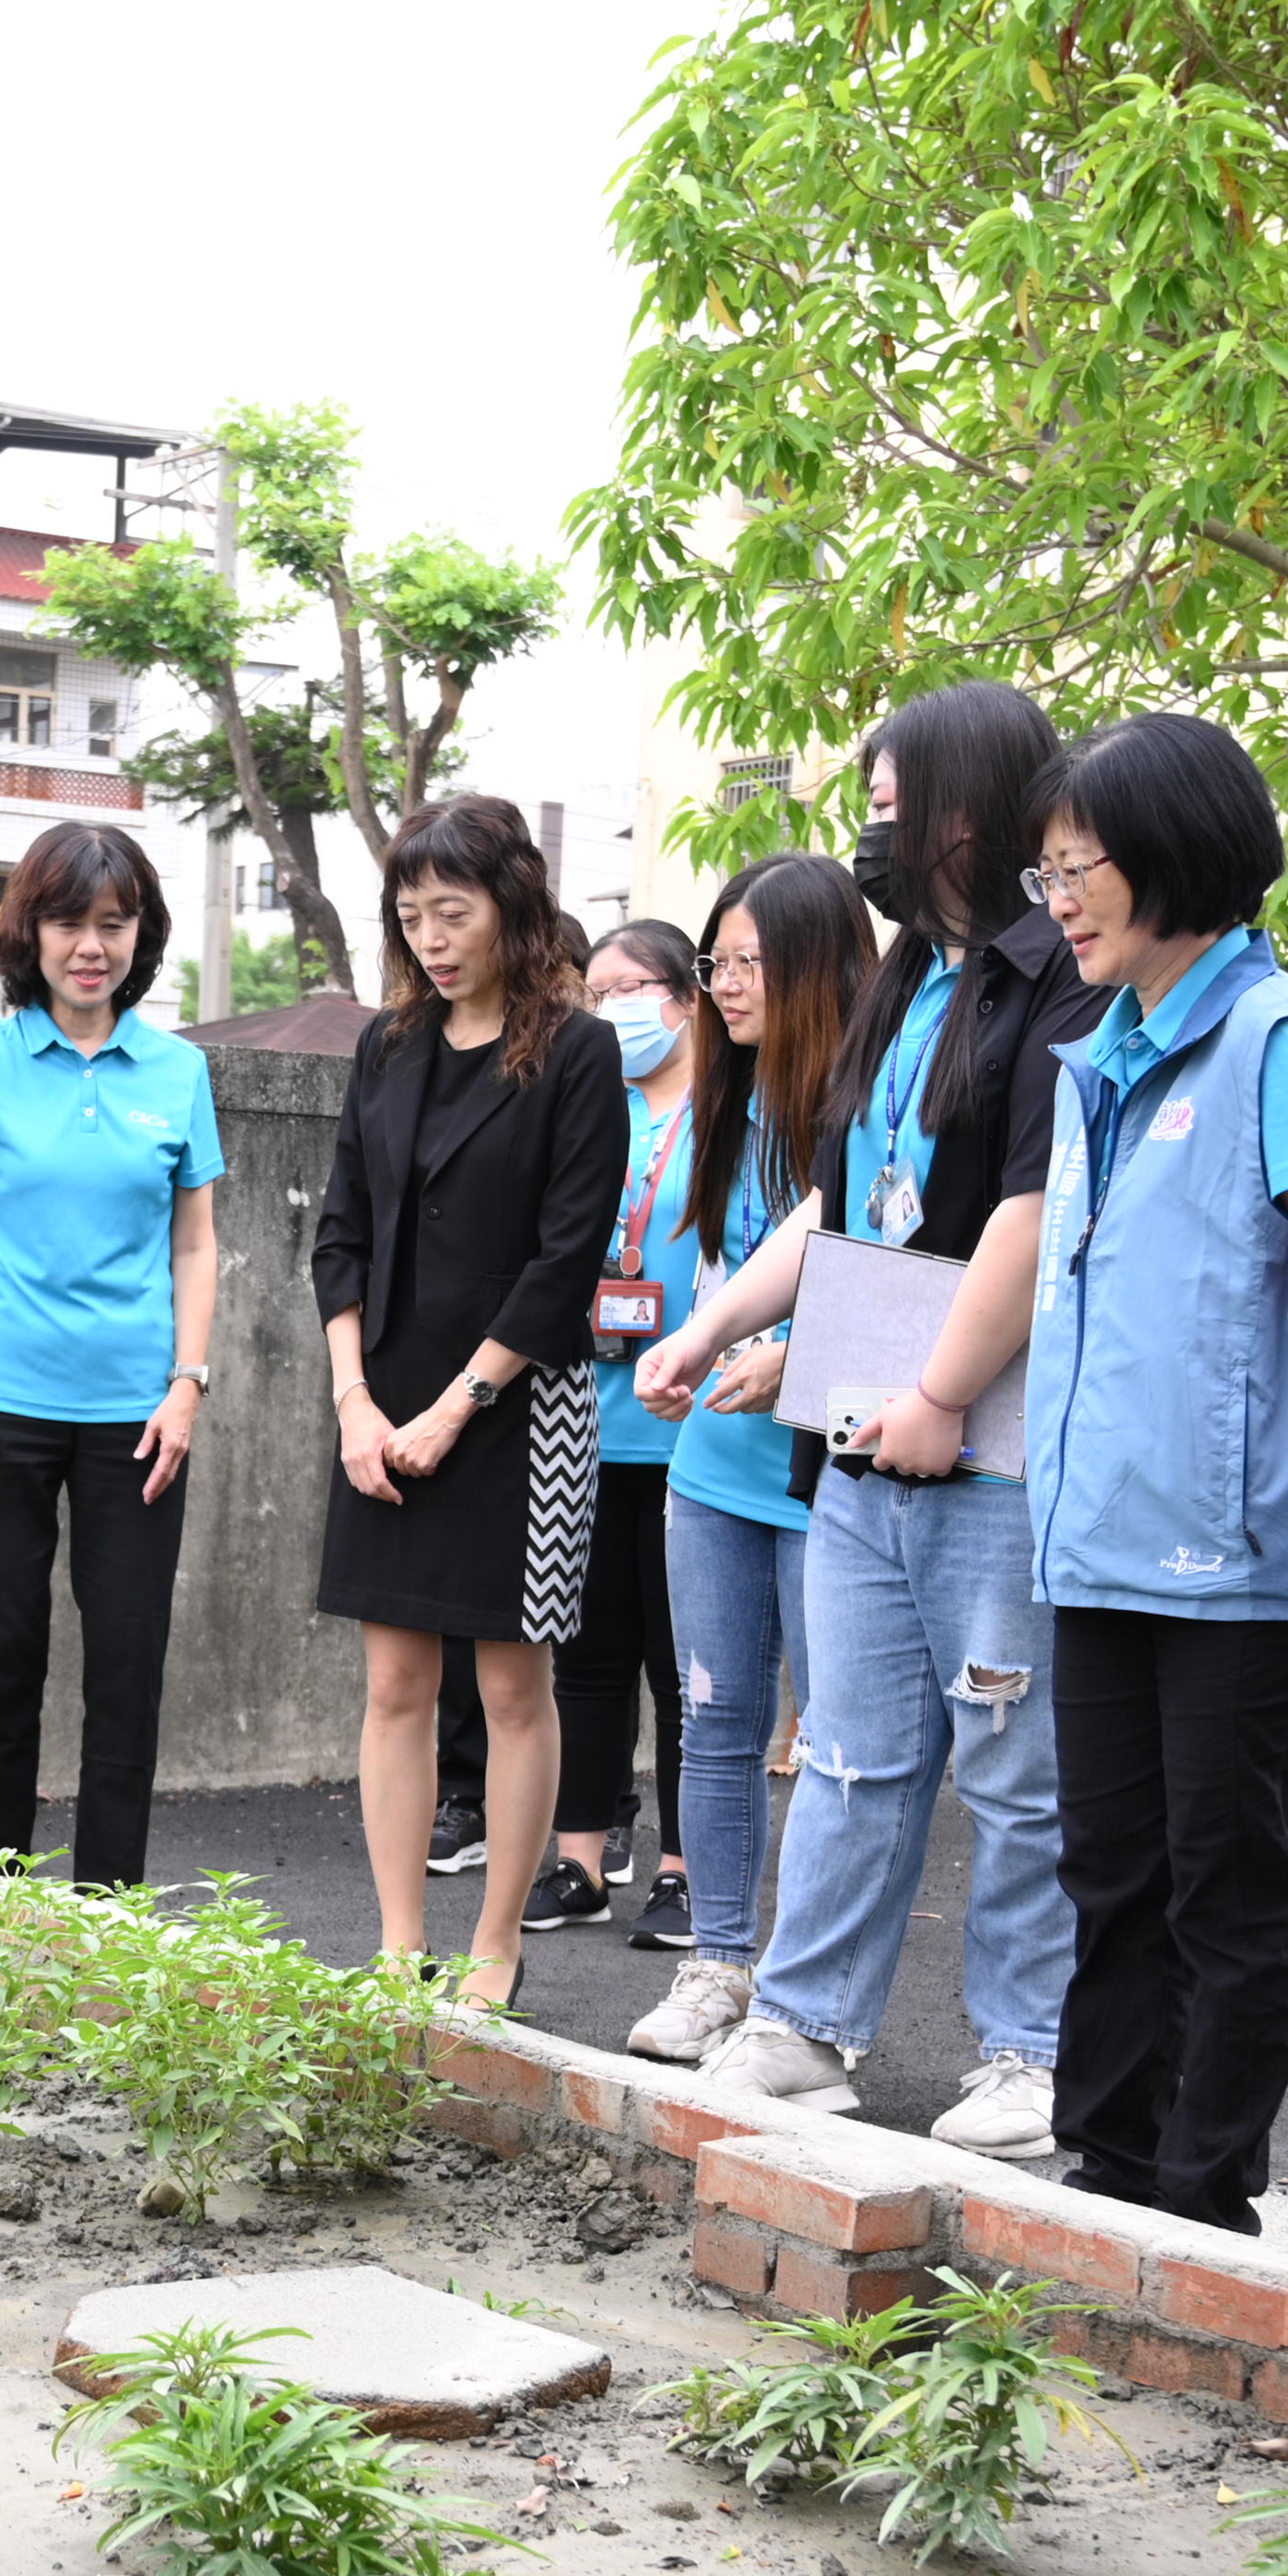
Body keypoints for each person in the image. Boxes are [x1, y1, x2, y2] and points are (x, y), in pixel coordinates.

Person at [638, 680, 1106, 2153]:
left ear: (972, 807)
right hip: (863, 1432)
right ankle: (806, 2022)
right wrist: (714, 1324)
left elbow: (1033, 1217)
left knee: (1013, 1759)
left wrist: (940, 1393)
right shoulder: (912, 975)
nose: (873, 834)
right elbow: (844, 1204)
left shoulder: (1061, 981)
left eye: (893, 806)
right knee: (849, 1746)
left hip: (994, 1439)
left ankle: (1029, 2048)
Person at [1006, 713, 1288, 2234]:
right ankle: (1106, 2159)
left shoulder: (1279, 1041)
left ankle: (1202, 2192)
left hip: (1244, 1553)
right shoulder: (1093, 1055)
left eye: (1081, 863)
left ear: (1178, 851)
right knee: (1107, 1864)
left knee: (1219, 1873)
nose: (1058, 894)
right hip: (1102, 1537)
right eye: (1044, 867)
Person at [309, 797, 629, 2002]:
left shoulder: (577, 1051)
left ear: (512, 905)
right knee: (394, 1683)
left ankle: (497, 1943)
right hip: (383, 1404)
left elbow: (567, 1257)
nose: (433, 939)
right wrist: (356, 1402)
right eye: (411, 917)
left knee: (509, 1684)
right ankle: (399, 1941)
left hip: (519, 1408)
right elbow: (339, 1234)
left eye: (455, 912)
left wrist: (456, 1407)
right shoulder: (386, 1046)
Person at [0, 822, 228, 1886]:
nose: (91, 946)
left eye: (114, 923)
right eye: (69, 922)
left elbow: (196, 1240)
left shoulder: (178, 1070)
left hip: (139, 1419)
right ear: (31, 931)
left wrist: (187, 1386)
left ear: (140, 934)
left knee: (127, 1674)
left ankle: (109, 1920)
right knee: (0, 1669)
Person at [622, 853, 874, 2063]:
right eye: (714, 963)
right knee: (714, 1722)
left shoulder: (866, 1104)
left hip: (831, 1477)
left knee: (837, 1742)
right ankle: (717, 1965)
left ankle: (814, 2003)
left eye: (748, 964)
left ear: (821, 966)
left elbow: (904, 1276)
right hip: (712, 1467)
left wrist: (796, 1358)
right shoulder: (722, 1100)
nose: (723, 986)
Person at [533, 918, 711, 1942]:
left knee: (687, 1670)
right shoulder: (589, 1110)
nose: (609, 1014)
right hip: (589, 1426)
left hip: (694, 1432)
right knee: (587, 1658)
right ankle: (581, 1860)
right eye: (590, 996)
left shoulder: (742, 1114)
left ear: (685, 997)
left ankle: (686, 1873)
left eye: (629, 989)